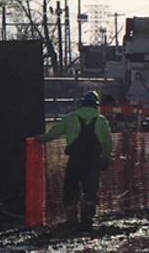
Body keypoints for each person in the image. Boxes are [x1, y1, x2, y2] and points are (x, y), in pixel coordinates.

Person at [37, 91, 113, 231]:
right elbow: (108, 142)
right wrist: (106, 158)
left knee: (71, 189)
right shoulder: (101, 121)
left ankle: (72, 219)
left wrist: (40, 140)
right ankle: (87, 219)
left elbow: (54, 132)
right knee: (91, 190)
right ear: (96, 105)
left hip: (75, 161)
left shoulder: (71, 118)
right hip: (93, 162)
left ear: (82, 103)